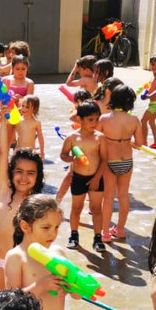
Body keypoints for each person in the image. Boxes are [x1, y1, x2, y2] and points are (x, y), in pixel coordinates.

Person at [0, 149, 45, 292]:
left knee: (20, 303)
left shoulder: (36, 204)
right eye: (19, 171)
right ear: (11, 172)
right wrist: (4, 132)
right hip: (0, 262)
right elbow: (3, 153)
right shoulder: (4, 191)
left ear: (38, 176)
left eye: (30, 173)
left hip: (23, 267)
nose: (23, 177)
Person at [59, 101, 106, 252]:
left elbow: (104, 160)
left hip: (96, 177)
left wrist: (97, 178)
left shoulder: (100, 137)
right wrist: (72, 159)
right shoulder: (72, 138)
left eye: (97, 119)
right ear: (80, 119)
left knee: (96, 209)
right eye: (90, 119)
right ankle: (74, 235)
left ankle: (98, 238)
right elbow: (63, 154)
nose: (94, 123)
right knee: (76, 207)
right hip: (78, 178)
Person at [99, 86, 144, 240]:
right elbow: (139, 143)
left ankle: (105, 232)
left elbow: (96, 138)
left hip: (109, 161)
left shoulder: (104, 119)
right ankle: (120, 230)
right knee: (123, 196)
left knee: (108, 197)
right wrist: (127, 141)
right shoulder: (134, 120)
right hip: (127, 161)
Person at [139, 54, 156, 149]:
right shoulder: (154, 75)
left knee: (143, 120)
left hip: (155, 104)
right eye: (153, 64)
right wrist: (145, 89)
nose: (154, 66)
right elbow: (150, 86)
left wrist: (148, 96)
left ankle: (144, 141)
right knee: (151, 122)